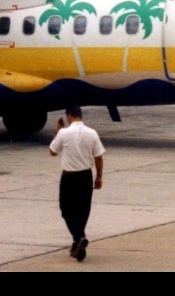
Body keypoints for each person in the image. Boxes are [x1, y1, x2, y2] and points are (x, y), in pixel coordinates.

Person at [48, 105, 105, 262]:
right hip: (86, 176)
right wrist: (99, 177)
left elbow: (52, 151)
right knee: (83, 209)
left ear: (68, 117)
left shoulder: (64, 133)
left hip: (69, 177)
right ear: (81, 115)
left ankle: (79, 236)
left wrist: (58, 132)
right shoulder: (92, 133)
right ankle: (77, 242)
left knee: (66, 209)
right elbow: (98, 157)